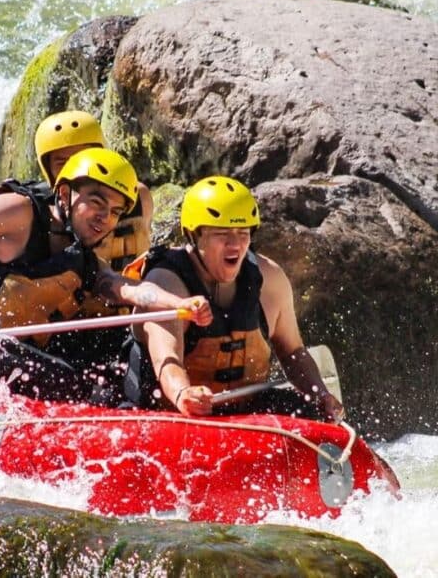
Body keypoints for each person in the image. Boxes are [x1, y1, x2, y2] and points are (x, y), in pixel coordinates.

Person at [0, 147, 211, 403]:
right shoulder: (18, 211)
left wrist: (181, 303)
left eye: (114, 212)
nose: (104, 219)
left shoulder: (79, 253)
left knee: (113, 357)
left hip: (2, 347)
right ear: (66, 194)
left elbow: (124, 288)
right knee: (67, 380)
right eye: (96, 203)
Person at [123, 176, 345, 422]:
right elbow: (167, 360)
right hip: (171, 416)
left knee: (310, 413)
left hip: (244, 413)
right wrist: (182, 393)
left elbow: (293, 353)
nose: (235, 244)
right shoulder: (167, 284)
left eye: (243, 233)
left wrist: (320, 393)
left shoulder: (269, 279)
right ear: (194, 235)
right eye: (222, 233)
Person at [32, 110, 153, 272]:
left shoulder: (138, 198)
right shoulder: (34, 213)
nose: (76, 169)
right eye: (63, 163)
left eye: (84, 157)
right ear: (49, 171)